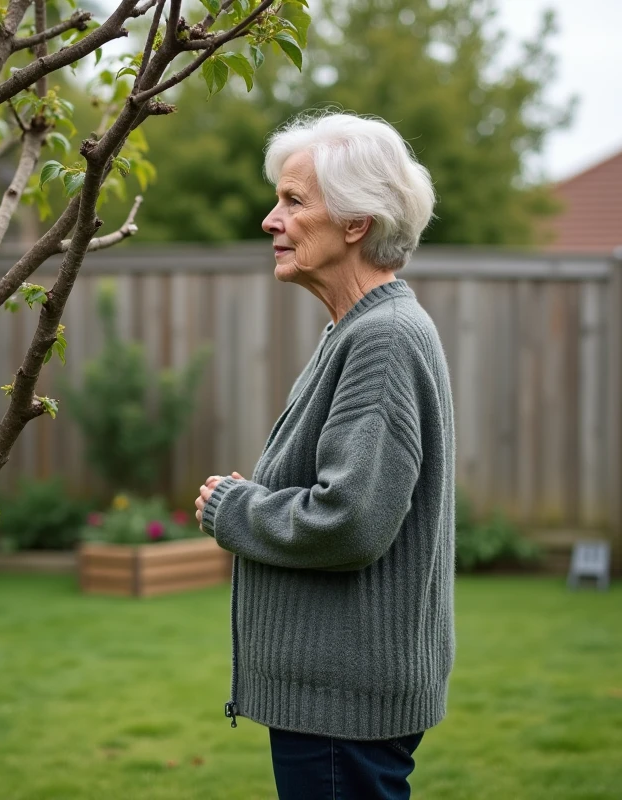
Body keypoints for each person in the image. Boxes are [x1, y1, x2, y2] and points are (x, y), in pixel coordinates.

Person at [193, 111, 456, 800]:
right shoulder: (359, 329)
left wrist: (234, 509)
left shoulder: (383, 338)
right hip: (340, 692)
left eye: (293, 200)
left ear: (355, 223)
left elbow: (352, 518)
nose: (270, 220)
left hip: (344, 698)